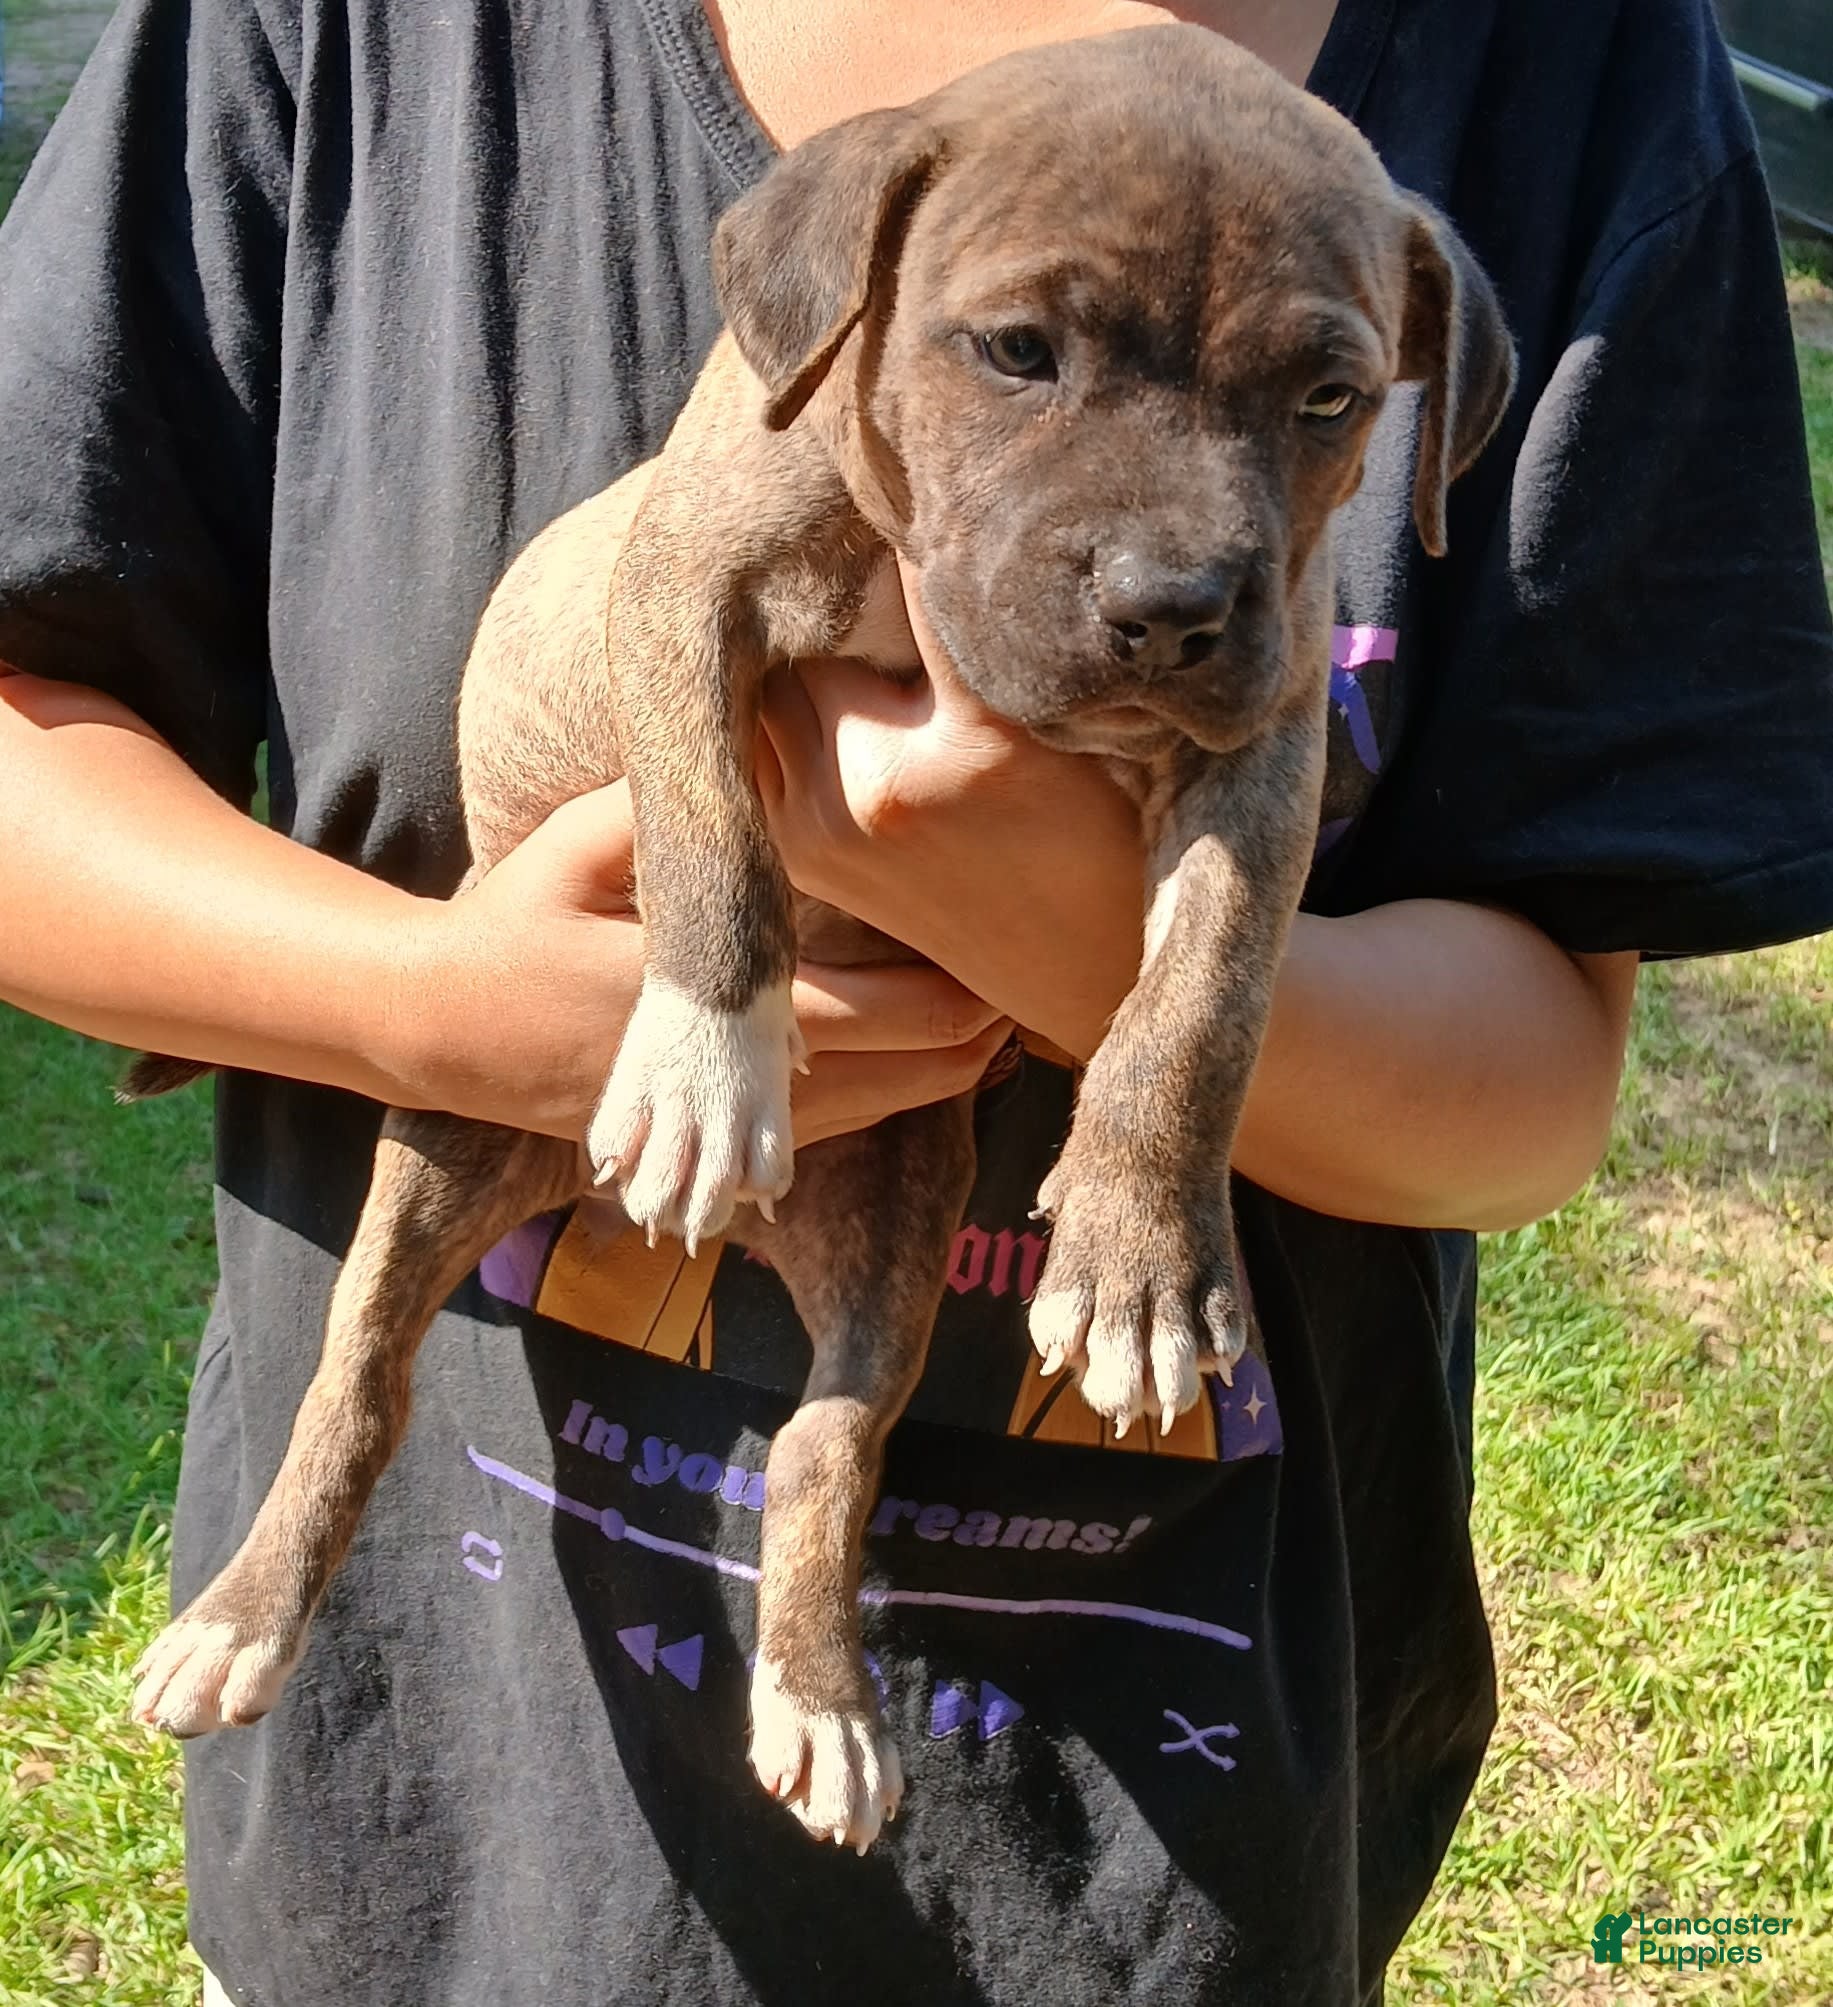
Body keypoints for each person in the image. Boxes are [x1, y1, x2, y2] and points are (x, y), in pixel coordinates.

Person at [0, 0, 1827, 2000]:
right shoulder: (366, 44)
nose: (1169, 551)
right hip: (439, 1833)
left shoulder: (1565, 79)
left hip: (1158, 1858)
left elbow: (1542, 1084)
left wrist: (1054, 947)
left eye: (1313, 403)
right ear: (846, 293)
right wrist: (439, 1005)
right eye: (1019, 356)